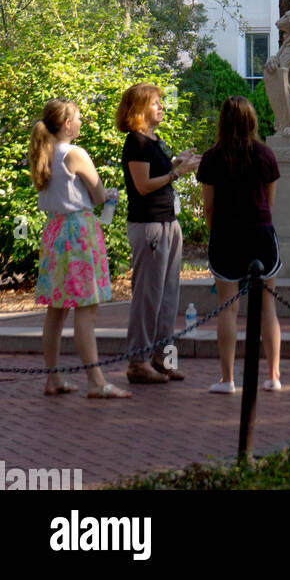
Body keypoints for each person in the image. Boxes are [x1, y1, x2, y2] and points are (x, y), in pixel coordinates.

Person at [28, 99, 130, 399]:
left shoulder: (44, 152)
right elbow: (98, 195)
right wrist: (108, 195)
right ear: (67, 124)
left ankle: (53, 378)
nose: (81, 121)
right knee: (87, 308)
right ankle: (96, 381)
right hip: (78, 231)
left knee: (56, 310)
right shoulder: (74, 154)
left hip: (55, 230)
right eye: (78, 117)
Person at [197, 96, 281, 393]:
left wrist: (215, 234)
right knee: (267, 307)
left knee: (227, 308)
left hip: (226, 235)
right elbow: (269, 204)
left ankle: (228, 379)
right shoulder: (266, 155)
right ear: (252, 121)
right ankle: (273, 375)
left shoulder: (211, 158)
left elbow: (209, 207)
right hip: (260, 232)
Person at [118, 83, 199, 385]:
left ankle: (162, 359)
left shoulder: (153, 140)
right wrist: (177, 172)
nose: (161, 107)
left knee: (168, 295)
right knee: (148, 295)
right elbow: (142, 185)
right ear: (139, 109)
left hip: (169, 221)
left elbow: (158, 174)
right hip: (149, 225)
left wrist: (178, 162)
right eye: (155, 103)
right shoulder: (136, 142)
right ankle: (137, 362)